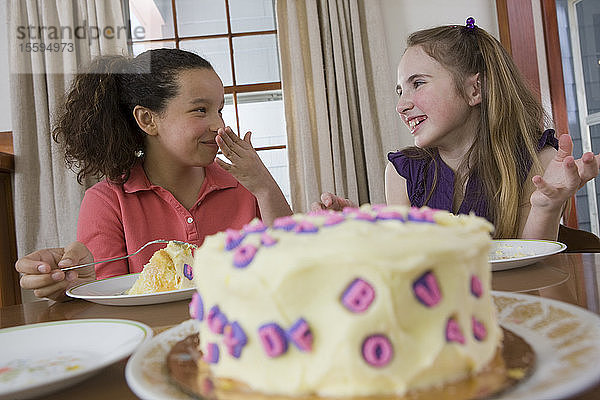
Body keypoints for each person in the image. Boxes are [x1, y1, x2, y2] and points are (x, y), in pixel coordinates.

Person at [16, 48, 292, 301]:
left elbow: (294, 265)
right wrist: (73, 284)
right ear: (148, 120)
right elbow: (109, 298)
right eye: (200, 110)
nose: (218, 125)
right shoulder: (107, 201)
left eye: (219, 110)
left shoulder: (246, 184)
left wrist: (265, 187)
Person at [313, 18, 600, 240]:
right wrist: (357, 230)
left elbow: (531, 271)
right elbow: (406, 262)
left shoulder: (539, 162)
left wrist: (545, 207)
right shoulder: (402, 173)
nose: (401, 105)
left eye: (418, 83)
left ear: (475, 89)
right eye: (400, 90)